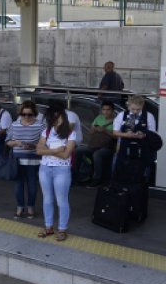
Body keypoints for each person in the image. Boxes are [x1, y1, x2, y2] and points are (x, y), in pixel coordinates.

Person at [36, 108, 78, 242]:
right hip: (45, 168)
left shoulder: (71, 133)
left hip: (62, 169)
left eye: (57, 117)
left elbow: (66, 155)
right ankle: (48, 227)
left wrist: (47, 151)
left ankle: (62, 229)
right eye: (52, 118)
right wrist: (56, 150)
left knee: (61, 200)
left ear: (63, 117)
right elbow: (38, 150)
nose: (55, 120)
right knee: (47, 199)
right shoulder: (46, 131)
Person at [6, 100, 45, 219]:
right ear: (20, 113)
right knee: (18, 184)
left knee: (32, 184)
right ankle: (20, 206)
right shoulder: (14, 124)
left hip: (34, 159)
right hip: (17, 159)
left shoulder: (41, 125)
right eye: (24, 114)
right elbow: (7, 141)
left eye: (30, 114)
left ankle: (31, 206)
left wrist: (33, 146)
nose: (27, 117)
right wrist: (15, 143)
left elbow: (45, 143)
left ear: (35, 114)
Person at [113, 94, 156, 162]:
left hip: (142, 149)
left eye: (138, 109)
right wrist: (126, 135)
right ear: (128, 106)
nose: (135, 112)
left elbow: (153, 134)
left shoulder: (149, 116)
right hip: (124, 149)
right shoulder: (122, 115)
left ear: (142, 106)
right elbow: (115, 132)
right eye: (133, 109)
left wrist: (144, 134)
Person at [85, 102, 117, 188]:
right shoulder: (99, 118)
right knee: (79, 151)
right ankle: (77, 176)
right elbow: (90, 132)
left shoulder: (116, 120)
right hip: (95, 144)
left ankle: (97, 179)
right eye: (104, 110)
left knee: (97, 154)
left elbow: (117, 136)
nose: (106, 112)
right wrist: (94, 129)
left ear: (112, 111)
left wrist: (105, 131)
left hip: (108, 146)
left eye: (108, 110)